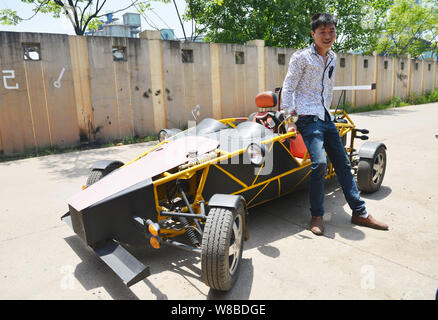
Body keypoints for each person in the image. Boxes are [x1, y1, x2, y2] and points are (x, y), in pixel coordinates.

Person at [281, 13, 388, 235]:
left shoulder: (332, 57)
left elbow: (327, 88)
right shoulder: (300, 58)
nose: (327, 36)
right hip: (307, 119)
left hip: (326, 117)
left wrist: (327, 112)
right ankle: (317, 215)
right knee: (319, 163)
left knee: (343, 163)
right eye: (322, 32)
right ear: (313, 34)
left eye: (331, 32)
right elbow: (288, 89)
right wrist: (290, 121)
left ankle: (360, 212)